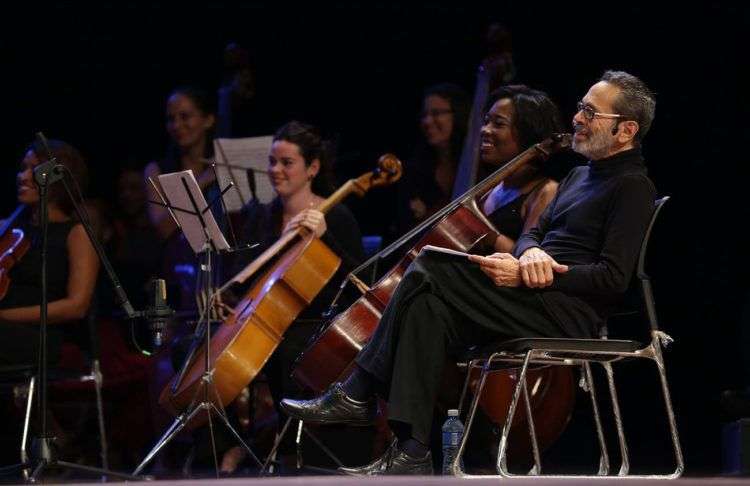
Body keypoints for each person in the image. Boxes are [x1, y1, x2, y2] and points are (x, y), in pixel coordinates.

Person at [280, 70, 658, 475]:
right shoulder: (578, 175)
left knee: (429, 263)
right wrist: (528, 256)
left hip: (566, 314)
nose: (577, 118)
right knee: (427, 307)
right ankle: (412, 452)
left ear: (625, 130)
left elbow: (612, 279)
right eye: (580, 108)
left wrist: (545, 273)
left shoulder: (633, 187)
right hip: (533, 296)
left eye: (590, 112)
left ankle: (358, 391)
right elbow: (534, 236)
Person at [217, 120, 365, 474]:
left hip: (313, 322)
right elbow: (245, 269)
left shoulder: (335, 215)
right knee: (196, 350)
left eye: (286, 163)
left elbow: (361, 279)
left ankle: (284, 448)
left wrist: (326, 239)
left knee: (287, 352)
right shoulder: (262, 216)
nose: (276, 171)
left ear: (312, 168)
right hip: (262, 320)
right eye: (272, 162)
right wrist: (226, 295)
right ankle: (236, 444)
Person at [0, 139, 99, 367]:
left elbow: (77, 306)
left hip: (43, 337)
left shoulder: (77, 234)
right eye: (22, 168)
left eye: (33, 169)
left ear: (55, 177)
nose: (22, 176)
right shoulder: (11, 229)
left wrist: (5, 317)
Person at [394, 83, 469, 235]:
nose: (427, 122)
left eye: (436, 113)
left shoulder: (477, 164)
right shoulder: (413, 171)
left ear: (458, 115)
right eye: (424, 115)